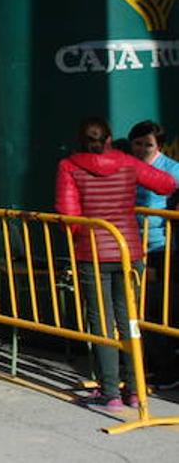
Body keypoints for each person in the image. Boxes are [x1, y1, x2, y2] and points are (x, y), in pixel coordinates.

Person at [56, 118, 177, 411]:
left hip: (92, 252)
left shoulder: (69, 166)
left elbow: (67, 215)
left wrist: (82, 237)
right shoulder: (126, 161)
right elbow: (166, 184)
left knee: (101, 323)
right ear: (110, 139)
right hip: (128, 251)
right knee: (129, 320)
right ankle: (135, 390)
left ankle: (110, 393)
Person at [129, 120, 179, 389]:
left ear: (159, 145)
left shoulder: (173, 169)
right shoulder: (127, 166)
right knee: (143, 311)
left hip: (163, 249)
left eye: (147, 144)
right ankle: (157, 366)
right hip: (133, 246)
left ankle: (167, 371)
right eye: (137, 143)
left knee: (158, 311)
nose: (142, 149)